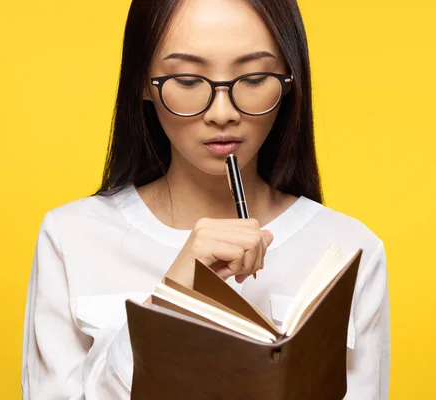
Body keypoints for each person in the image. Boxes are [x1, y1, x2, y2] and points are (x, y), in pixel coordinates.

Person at [21, 0, 390, 398]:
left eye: (252, 78)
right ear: (144, 83)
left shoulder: (351, 249)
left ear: (288, 80)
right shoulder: (71, 237)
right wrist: (172, 303)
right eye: (187, 80)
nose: (222, 112)